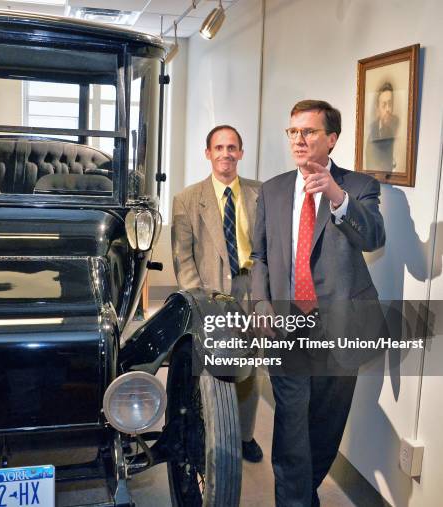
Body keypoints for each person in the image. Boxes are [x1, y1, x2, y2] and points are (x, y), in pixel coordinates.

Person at [251, 100, 385, 506]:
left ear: (332, 139)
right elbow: (258, 255)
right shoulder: (271, 190)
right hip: (287, 327)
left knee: (326, 426)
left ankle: (304, 494)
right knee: (291, 423)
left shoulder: (359, 186)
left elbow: (375, 237)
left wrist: (337, 196)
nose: (299, 140)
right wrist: (260, 300)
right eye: (293, 131)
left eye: (308, 132)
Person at [171, 124, 263, 463]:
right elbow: (183, 257)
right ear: (208, 153)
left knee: (250, 368)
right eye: (219, 147)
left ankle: (245, 436)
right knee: (208, 366)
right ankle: (205, 432)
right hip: (208, 291)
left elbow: (268, 249)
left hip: (250, 292)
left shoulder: (260, 194)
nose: (226, 153)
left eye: (232, 147)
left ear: (241, 152)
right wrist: (200, 301)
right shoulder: (187, 199)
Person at [365, 82, 400, 172]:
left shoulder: (398, 128)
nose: (388, 109)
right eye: (384, 105)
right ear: (378, 108)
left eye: (390, 104)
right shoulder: (372, 130)